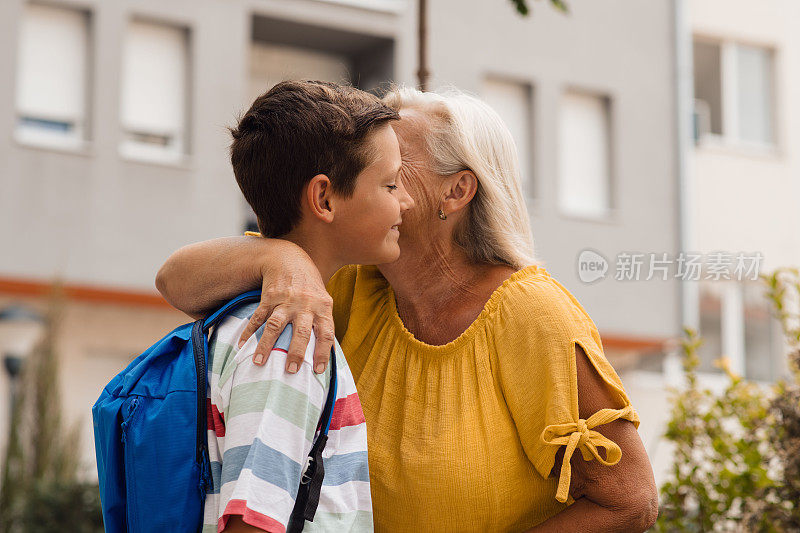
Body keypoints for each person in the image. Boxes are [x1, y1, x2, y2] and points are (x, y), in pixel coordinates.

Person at [158, 86, 659, 532]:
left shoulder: (531, 315)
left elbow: (631, 502)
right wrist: (278, 254)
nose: (385, 172)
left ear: (457, 190)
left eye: (399, 168)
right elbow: (174, 280)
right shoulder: (347, 283)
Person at [201, 80, 413, 533]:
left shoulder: (244, 314)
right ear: (325, 198)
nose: (406, 201)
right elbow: (253, 524)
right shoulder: (288, 345)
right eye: (391, 184)